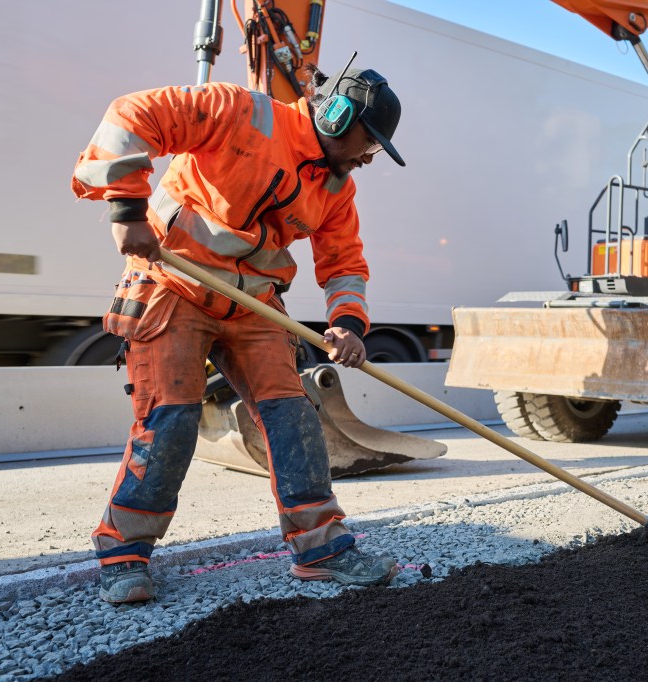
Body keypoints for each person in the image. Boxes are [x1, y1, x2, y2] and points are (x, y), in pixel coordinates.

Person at [71, 64, 405, 603]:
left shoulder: (336, 188)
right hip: (173, 281)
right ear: (340, 119)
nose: (370, 156)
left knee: (293, 419)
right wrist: (128, 208)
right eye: (371, 143)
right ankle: (123, 554)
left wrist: (347, 323)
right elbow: (132, 114)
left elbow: (345, 262)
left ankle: (320, 548)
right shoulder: (240, 112)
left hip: (255, 306)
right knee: (170, 420)